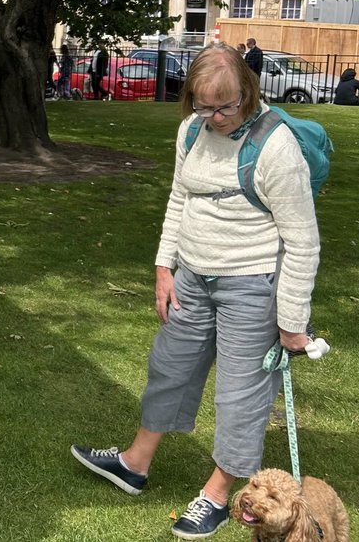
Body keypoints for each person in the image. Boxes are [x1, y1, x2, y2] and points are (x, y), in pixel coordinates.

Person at [71, 44, 320, 540]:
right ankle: (134, 464)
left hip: (252, 285)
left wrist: (292, 322)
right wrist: (164, 266)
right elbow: (179, 198)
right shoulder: (190, 130)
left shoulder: (276, 146)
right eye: (205, 107)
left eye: (227, 106)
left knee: (240, 395)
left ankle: (218, 495)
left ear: (248, 92)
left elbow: (303, 242)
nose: (217, 117)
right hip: (191, 277)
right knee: (169, 368)